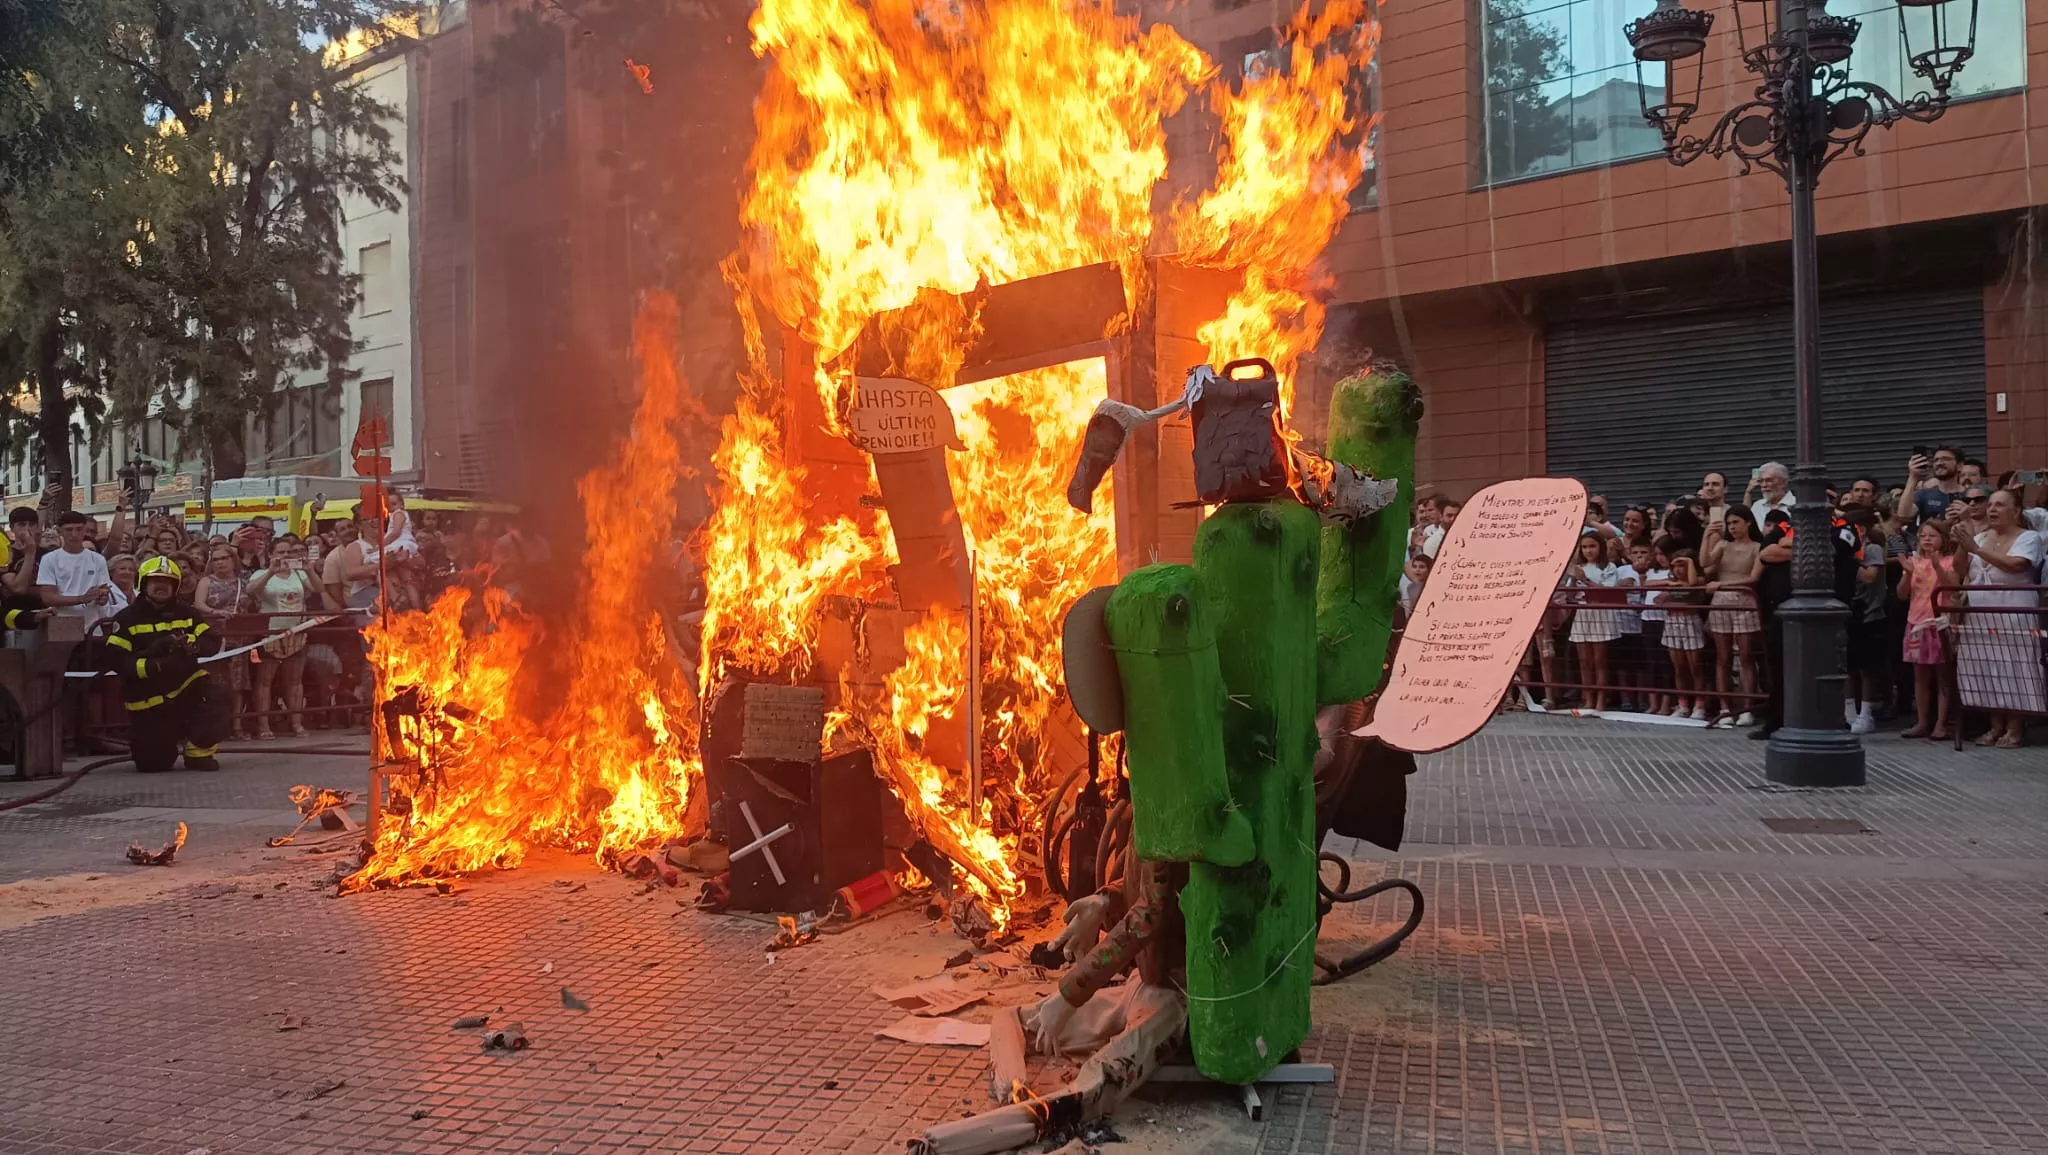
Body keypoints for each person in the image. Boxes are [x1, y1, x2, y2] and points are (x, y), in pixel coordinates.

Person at [101, 557, 226, 772]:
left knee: (218, 694)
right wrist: (153, 666)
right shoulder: (128, 618)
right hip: (149, 699)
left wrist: (195, 646)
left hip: (186, 687)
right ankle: (161, 746)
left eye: (167, 582)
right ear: (143, 583)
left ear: (175, 586)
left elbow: (212, 641)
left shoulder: (186, 613)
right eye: (155, 581)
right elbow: (115, 658)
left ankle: (198, 754)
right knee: (153, 764)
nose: (161, 586)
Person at [1950, 491, 2045, 746]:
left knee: (2014, 667)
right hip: (1981, 615)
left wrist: (1976, 549)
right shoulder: (1980, 537)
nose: (1992, 509)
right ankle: (1995, 726)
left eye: (2000, 505)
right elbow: (1960, 568)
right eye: (1990, 504)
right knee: (1988, 666)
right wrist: (1963, 542)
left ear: (2015, 511)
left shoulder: (2030, 537)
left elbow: (2016, 565)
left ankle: (2015, 728)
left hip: (2014, 613)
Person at [247, 535, 327, 739]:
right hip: (270, 633)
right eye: (281, 552)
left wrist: (309, 569)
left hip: (297, 632)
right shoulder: (261, 573)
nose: (285, 556)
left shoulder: (299, 575)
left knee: (294, 681)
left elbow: (319, 589)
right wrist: (270, 572)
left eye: (289, 552)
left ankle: (297, 723)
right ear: (271, 554)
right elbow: (251, 591)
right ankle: (264, 725)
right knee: (265, 681)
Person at [1898, 519, 1963, 740]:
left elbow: (1952, 586)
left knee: (1943, 675)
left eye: (1932, 535)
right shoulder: (1914, 561)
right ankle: (1922, 721)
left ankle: (1942, 723)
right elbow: (1901, 594)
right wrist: (1907, 573)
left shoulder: (1950, 561)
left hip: (1939, 622)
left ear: (1943, 538)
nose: (1926, 539)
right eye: (1923, 535)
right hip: (1916, 621)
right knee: (1920, 675)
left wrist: (1936, 566)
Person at [1702, 505, 1763, 728]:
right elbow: (1706, 566)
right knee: (1723, 657)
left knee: (1746, 656)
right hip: (1720, 603)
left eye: (1736, 522)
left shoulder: (1758, 547)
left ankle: (1747, 707)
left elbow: (1754, 577)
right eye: (1729, 523)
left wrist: (1722, 584)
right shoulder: (1723, 544)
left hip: (1744, 601)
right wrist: (1707, 536)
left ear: (1748, 522)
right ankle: (1725, 707)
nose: (1732, 527)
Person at [198, 545, 252, 740]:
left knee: (238, 684)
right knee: (214, 683)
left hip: (239, 638)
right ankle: (216, 725)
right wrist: (216, 613)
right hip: (213, 637)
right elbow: (199, 604)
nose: (220, 562)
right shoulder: (206, 581)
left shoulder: (243, 582)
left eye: (224, 558)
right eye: (215, 559)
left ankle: (237, 726)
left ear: (233, 560)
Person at [1842, 507, 1888, 734]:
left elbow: (1870, 577)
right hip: (1849, 612)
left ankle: (1866, 712)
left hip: (1870, 613)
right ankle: (1849, 710)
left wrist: (1849, 563)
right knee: (1848, 665)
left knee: (1866, 666)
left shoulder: (1873, 548)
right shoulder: (1847, 550)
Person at [1565, 532, 1622, 712]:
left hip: (1600, 612)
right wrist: (1574, 578)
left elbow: (1608, 591)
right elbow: (1569, 595)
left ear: (1600, 547)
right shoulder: (1578, 567)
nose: (1588, 550)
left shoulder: (1609, 567)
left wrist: (1585, 579)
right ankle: (1588, 698)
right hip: (1582, 612)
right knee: (1584, 661)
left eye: (1592, 546)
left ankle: (1601, 699)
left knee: (1599, 660)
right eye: (1585, 547)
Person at [37, 511, 114, 628]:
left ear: (84, 530)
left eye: (79, 529)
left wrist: (102, 597)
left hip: (92, 625)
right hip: (61, 624)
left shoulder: (98, 559)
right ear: (60, 531)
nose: (74, 534)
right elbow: (48, 598)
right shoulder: (49, 559)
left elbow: (104, 590)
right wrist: (81, 599)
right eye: (69, 530)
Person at [1658, 543, 1709, 720]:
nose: (1679, 569)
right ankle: (1683, 704)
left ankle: (1700, 705)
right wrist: (1669, 585)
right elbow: (1658, 597)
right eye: (1676, 565)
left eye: (1683, 565)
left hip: (1690, 622)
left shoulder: (1700, 580)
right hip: (1673, 622)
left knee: (1694, 666)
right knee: (1679, 667)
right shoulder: (1671, 582)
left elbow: (1693, 584)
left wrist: (1689, 563)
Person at [1630, 539, 1670, 715]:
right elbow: (1645, 587)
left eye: (1664, 554)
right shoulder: (1651, 572)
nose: (1661, 558)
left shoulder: (1673, 572)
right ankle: (1653, 702)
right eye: (1659, 554)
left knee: (1665, 663)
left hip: (1666, 620)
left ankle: (1666, 703)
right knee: (1651, 662)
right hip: (1648, 619)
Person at [1898, 446, 1964, 524]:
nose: (1939, 463)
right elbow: (1903, 515)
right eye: (1936, 460)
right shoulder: (1924, 494)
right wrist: (1913, 477)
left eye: (1945, 459)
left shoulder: (1972, 496)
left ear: (1960, 465)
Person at [1747, 462, 1795, 526]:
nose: (1764, 485)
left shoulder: (1795, 504)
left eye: (1769, 480)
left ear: (1783, 482)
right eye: (1761, 481)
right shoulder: (1757, 506)